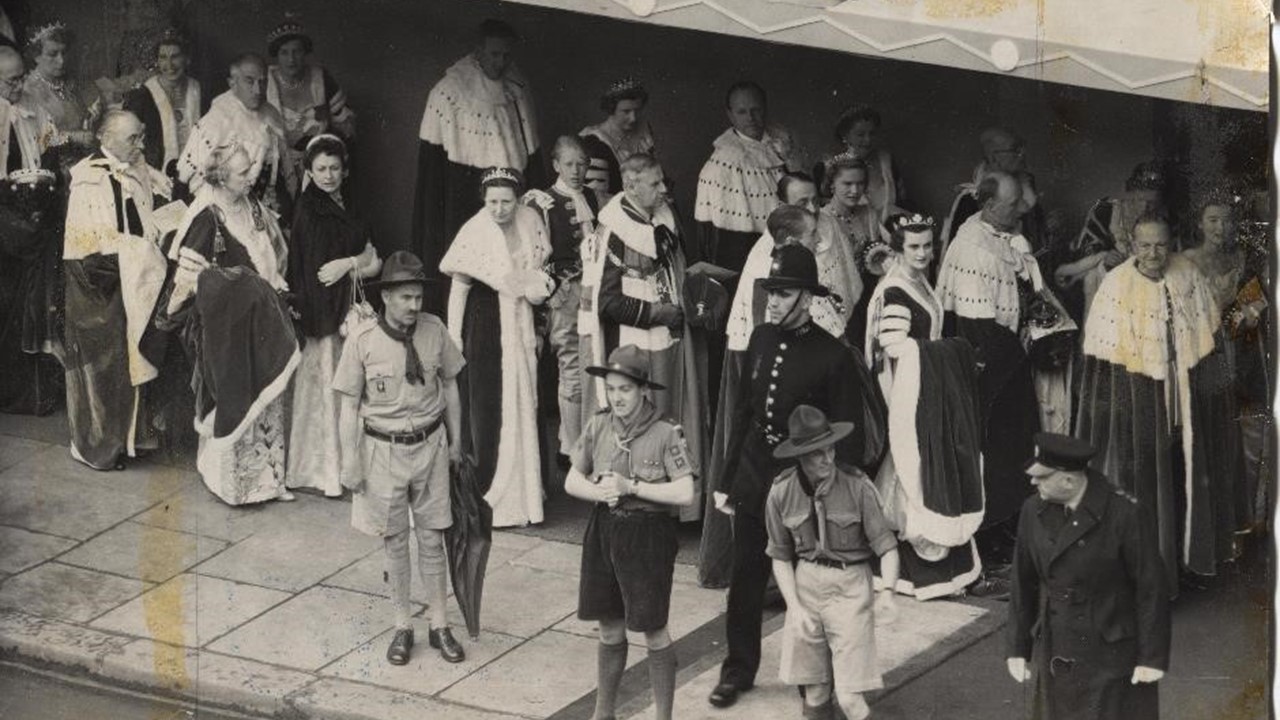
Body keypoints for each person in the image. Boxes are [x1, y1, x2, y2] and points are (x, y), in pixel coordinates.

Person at [707, 244, 886, 709]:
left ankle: (820, 680)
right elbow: (744, 412)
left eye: (784, 294)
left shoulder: (832, 356)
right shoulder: (762, 337)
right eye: (771, 292)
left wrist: (832, 495)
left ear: (807, 298)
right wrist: (727, 477)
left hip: (802, 485)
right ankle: (737, 670)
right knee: (746, 576)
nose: (774, 301)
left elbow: (847, 437)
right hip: (753, 475)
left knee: (811, 586)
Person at [1074, 213, 1235, 591]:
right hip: (1140, 403)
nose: (1153, 253)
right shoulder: (1115, 285)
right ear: (1131, 245)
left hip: (1182, 402)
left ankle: (1182, 564)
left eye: (1161, 244)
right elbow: (1105, 365)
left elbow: (1204, 335)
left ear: (1172, 242)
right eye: (1144, 245)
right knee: (1145, 486)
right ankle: (1148, 578)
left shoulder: (1186, 273)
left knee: (1181, 476)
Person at [334, 250, 467, 666]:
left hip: (430, 447)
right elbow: (348, 406)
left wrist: (458, 444)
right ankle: (402, 625)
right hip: (381, 450)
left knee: (433, 538)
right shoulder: (362, 340)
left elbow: (451, 387)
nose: (414, 306)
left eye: (418, 297)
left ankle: (440, 625)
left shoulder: (434, 330)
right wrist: (349, 462)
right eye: (406, 297)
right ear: (387, 297)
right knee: (394, 541)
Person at [564, 344, 696, 720]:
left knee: (653, 627)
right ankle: (603, 714)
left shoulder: (665, 431)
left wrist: (632, 487)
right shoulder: (599, 424)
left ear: (643, 390)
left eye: (626, 389)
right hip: (604, 529)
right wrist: (600, 492)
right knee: (609, 624)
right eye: (612, 388)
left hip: (648, 534)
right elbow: (573, 479)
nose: (617, 397)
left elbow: (685, 492)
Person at [161, 141, 297, 504]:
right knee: (234, 400)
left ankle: (269, 482)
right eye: (242, 172)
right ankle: (233, 485)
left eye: (251, 168)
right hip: (227, 331)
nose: (251, 176)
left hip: (263, 321)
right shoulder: (207, 218)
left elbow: (272, 256)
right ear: (220, 177)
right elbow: (188, 284)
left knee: (268, 402)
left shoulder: (253, 208)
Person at [1006, 432, 1170, 720]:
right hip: (1057, 646)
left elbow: (1151, 588)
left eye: (1042, 477)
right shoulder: (1033, 511)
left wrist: (1151, 658)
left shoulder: (1125, 514)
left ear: (1068, 480)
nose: (1033, 482)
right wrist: (1018, 647)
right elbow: (1023, 582)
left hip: (1110, 651)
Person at [864, 213, 984, 599]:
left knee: (922, 468)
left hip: (929, 392)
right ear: (898, 248)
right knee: (912, 469)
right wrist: (945, 354)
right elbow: (892, 346)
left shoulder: (920, 283)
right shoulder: (895, 289)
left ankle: (940, 563)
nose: (923, 253)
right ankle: (915, 568)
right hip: (908, 394)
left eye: (928, 245)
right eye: (914, 247)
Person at [584, 153, 706, 521]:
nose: (664, 189)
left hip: (671, 341)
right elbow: (606, 303)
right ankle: (641, 502)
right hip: (637, 344)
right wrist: (659, 313)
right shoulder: (613, 230)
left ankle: (677, 505)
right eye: (655, 184)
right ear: (631, 185)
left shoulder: (665, 218)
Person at [935, 170, 1042, 585]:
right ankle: (990, 542)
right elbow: (977, 326)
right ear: (989, 205)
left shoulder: (1001, 237)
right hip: (990, 366)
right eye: (1012, 203)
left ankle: (1005, 533)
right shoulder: (972, 248)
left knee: (1013, 448)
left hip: (1009, 358)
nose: (1020, 209)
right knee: (995, 452)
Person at [766, 404, 899, 720]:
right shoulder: (781, 492)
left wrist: (888, 593)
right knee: (815, 691)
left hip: (850, 588)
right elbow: (780, 557)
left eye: (830, 449)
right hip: (806, 587)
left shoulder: (857, 486)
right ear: (800, 456)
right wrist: (795, 607)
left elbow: (888, 548)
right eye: (817, 453)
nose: (828, 458)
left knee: (850, 698)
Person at [440, 166, 552, 527]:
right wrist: (453, 338)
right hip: (485, 323)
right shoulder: (474, 229)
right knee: (488, 405)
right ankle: (488, 494)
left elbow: (541, 268)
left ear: (517, 199)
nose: (499, 209)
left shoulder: (530, 219)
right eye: (492, 202)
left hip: (520, 319)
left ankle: (525, 496)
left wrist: (538, 289)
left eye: (506, 201)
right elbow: (460, 286)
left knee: (524, 399)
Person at [62, 110, 169, 470]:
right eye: (132, 139)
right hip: (98, 283)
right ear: (105, 139)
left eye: (141, 136)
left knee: (134, 354)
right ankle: (97, 447)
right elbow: (88, 243)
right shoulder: (88, 180)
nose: (140, 145)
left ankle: (130, 438)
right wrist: (139, 249)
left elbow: (143, 216)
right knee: (107, 364)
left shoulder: (137, 167)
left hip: (132, 275)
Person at [414, 18, 544, 314]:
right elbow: (432, 171)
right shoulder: (448, 91)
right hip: (462, 194)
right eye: (494, 54)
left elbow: (531, 151)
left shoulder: (517, 89)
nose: (500, 62)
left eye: (506, 55)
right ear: (478, 51)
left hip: (511, 192)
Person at [285, 134, 381, 497]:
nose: (328, 176)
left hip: (348, 307)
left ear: (345, 170)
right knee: (329, 389)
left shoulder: (351, 204)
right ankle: (325, 472)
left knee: (355, 391)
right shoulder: (310, 210)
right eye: (321, 169)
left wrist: (350, 263)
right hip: (324, 316)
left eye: (335, 168)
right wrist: (358, 264)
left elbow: (375, 259)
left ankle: (352, 468)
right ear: (309, 171)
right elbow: (318, 274)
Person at [1180, 194, 1269, 535]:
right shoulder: (1186, 261)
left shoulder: (1242, 259)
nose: (1221, 227)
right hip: (1202, 354)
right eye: (1213, 219)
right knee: (1208, 434)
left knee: (1240, 437)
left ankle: (1239, 521)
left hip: (1238, 353)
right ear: (1200, 223)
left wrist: (1249, 313)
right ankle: (1206, 524)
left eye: (1227, 220)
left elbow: (1253, 304)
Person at [0, 44, 61, 415]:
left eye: (22, 76)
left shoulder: (31, 111)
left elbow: (48, 149)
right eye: (11, 80)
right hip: (6, 221)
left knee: (33, 301)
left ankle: (30, 394)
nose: (19, 85)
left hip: (32, 215)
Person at [528, 135, 598, 457]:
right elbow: (535, 256)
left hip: (593, 293)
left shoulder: (594, 199)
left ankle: (566, 439)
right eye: (569, 163)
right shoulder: (541, 202)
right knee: (571, 367)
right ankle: (573, 448)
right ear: (556, 165)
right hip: (565, 295)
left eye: (581, 163)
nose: (576, 170)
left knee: (588, 364)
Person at [694, 81, 788, 274]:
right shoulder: (724, 161)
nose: (751, 118)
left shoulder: (781, 144)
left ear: (765, 109)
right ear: (730, 115)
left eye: (756, 110)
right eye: (742, 112)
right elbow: (720, 237)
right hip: (744, 252)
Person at [1056, 161, 1168, 319]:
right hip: (1104, 283)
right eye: (1140, 200)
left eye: (1151, 203)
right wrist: (1104, 257)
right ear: (1130, 192)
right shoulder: (1106, 211)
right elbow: (1085, 252)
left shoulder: (1162, 220)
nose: (1144, 208)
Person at [939, 127, 1054, 280]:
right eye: (1015, 151)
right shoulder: (970, 201)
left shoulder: (1029, 197)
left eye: (1022, 150)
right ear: (994, 159)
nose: (1022, 155)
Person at [264, 15, 357, 202]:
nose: (291, 59)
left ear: (305, 52)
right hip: (276, 168)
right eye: (284, 52)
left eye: (297, 51)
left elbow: (346, 125)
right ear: (276, 55)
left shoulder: (320, 79)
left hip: (319, 166)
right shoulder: (265, 81)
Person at [176, 54, 286, 210]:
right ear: (233, 83)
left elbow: (277, 166)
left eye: (262, 82)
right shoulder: (218, 119)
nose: (257, 90)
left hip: (261, 204)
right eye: (249, 81)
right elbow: (186, 175)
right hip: (221, 207)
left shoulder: (270, 114)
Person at [121, 29, 206, 194]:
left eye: (175, 57)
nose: (169, 65)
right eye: (163, 58)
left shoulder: (199, 91)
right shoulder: (143, 95)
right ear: (157, 61)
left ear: (186, 59)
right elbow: (128, 144)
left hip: (197, 176)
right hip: (157, 180)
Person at [819, 154, 885, 344]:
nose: (855, 190)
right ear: (832, 184)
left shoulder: (869, 215)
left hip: (868, 295)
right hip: (836, 300)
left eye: (860, 183)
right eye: (847, 184)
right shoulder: (822, 220)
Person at [21, 22, 96, 152]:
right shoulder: (28, 91)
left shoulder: (70, 83)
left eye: (64, 52)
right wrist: (71, 137)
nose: (61, 60)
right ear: (36, 56)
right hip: (50, 164)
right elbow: (34, 139)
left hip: (81, 158)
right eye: (52, 54)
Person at [821, 105, 903, 223]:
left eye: (872, 133)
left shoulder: (886, 160)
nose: (868, 140)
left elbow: (899, 199)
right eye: (860, 134)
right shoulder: (834, 166)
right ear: (845, 136)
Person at [580, 77, 654, 200]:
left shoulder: (643, 130)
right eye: (626, 112)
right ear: (611, 109)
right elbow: (598, 197)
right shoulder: (595, 142)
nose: (633, 118)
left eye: (637, 110)